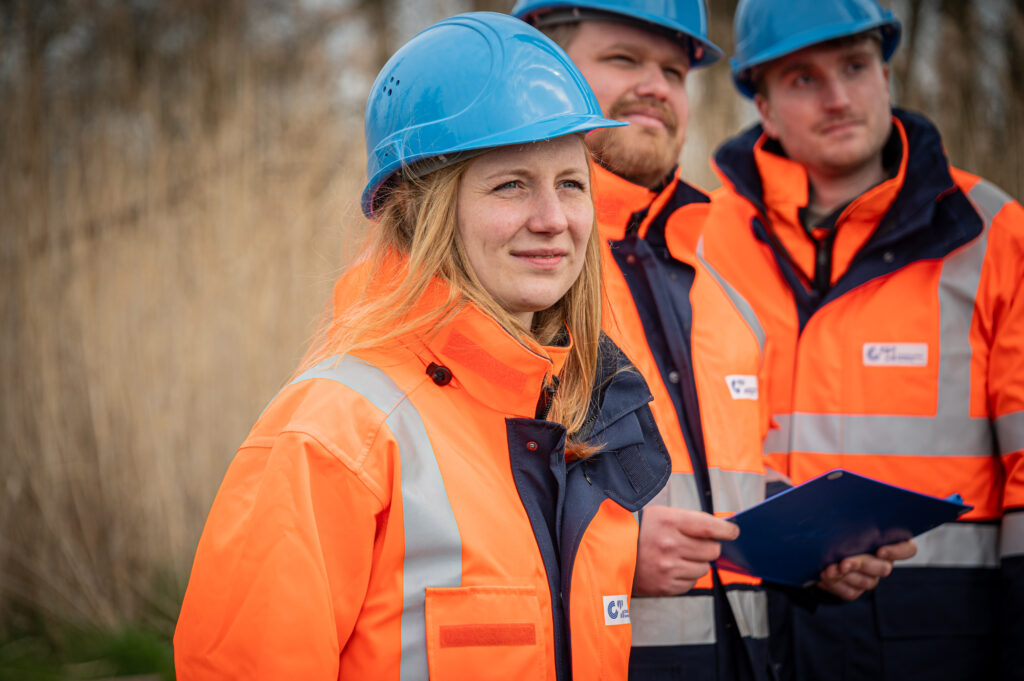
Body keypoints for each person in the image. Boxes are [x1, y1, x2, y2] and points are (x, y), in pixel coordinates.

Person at [172, 12, 673, 680]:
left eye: (571, 183)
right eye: (512, 184)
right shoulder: (334, 433)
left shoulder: (586, 421)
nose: (553, 220)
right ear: (420, 208)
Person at [512, 2, 914, 680]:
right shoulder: (513, 260)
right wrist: (618, 550)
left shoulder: (715, 265)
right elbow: (452, 493)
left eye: (673, 70)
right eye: (623, 60)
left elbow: (730, 477)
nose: (657, 86)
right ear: (542, 76)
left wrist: (814, 549)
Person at [699, 0, 1024, 679]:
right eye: (803, 79)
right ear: (761, 103)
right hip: (747, 630)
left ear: (886, 72)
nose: (838, 96)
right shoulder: (701, 241)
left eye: (855, 66)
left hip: (943, 638)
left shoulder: (994, 233)